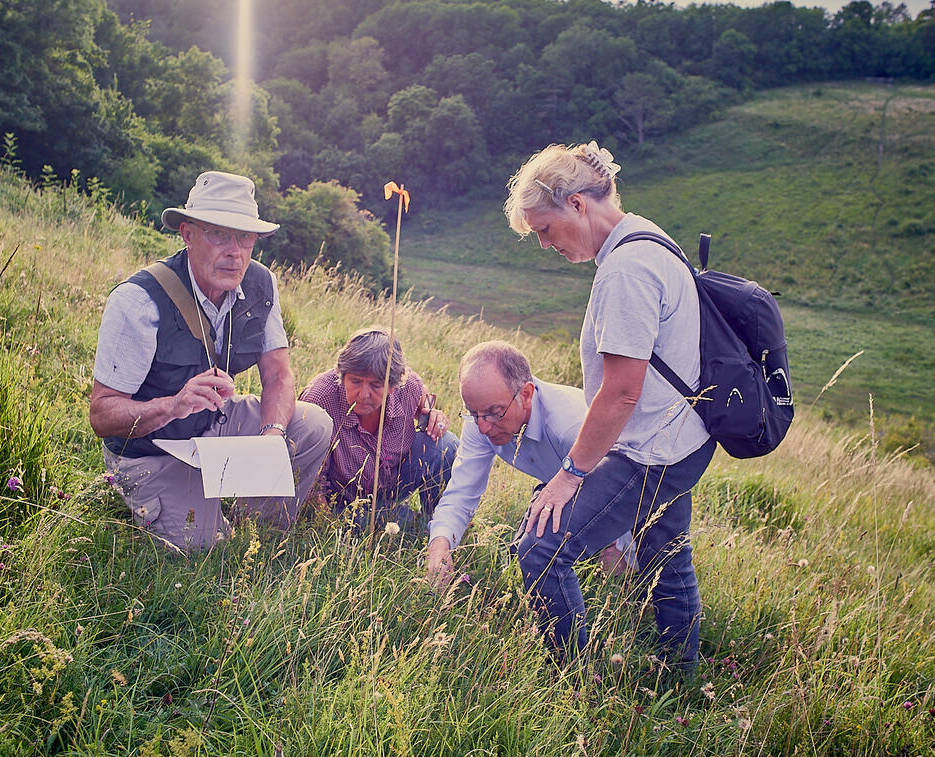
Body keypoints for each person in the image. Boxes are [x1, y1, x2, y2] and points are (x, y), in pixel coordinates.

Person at [501, 141, 716, 669]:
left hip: (649, 450)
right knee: (666, 559)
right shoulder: (648, 236)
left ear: (577, 204)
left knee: (540, 549)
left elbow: (622, 391)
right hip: (683, 438)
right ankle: (678, 681)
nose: (546, 245)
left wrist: (570, 473)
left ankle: (575, 685)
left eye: (545, 229)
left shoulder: (626, 269)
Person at [89, 170, 332, 551]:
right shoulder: (139, 301)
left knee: (312, 425)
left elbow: (280, 376)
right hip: (152, 450)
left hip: (212, 428)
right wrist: (173, 405)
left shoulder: (260, 285)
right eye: (219, 234)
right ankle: (209, 528)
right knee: (204, 549)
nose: (235, 252)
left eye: (245, 237)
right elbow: (102, 416)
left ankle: (257, 534)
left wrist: (271, 436)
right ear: (187, 234)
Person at [425, 341, 635, 584]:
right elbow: (461, 492)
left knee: (618, 573)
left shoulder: (569, 425)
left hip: (631, 482)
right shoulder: (481, 420)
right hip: (557, 485)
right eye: (473, 414)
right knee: (523, 562)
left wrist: (620, 545)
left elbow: (624, 484)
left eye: (494, 413)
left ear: (526, 394)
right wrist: (439, 547)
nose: (482, 427)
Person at [300, 326, 459, 527]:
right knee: (405, 528)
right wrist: (330, 532)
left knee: (446, 444)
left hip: (391, 483)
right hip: (341, 503)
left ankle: (442, 527)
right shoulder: (319, 399)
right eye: (355, 381)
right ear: (342, 375)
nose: (363, 394)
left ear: (393, 386)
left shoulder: (408, 387)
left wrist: (434, 416)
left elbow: (421, 394)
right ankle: (408, 524)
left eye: (376, 385)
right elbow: (309, 482)